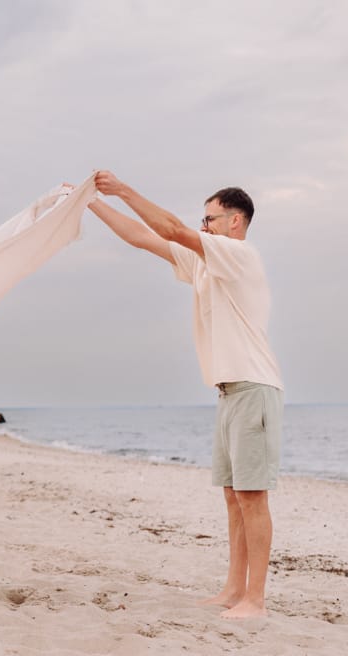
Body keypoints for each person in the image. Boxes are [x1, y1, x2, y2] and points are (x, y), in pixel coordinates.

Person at [89, 171, 282, 619]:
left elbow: (172, 228)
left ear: (235, 221)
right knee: (234, 497)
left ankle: (256, 599)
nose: (204, 226)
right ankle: (234, 589)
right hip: (229, 391)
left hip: (254, 386)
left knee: (253, 498)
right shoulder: (205, 260)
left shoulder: (239, 254)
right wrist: (91, 206)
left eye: (211, 218)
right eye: (203, 219)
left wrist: (122, 189)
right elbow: (143, 237)